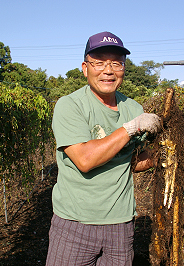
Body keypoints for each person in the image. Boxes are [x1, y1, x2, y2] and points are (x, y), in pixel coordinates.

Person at [46, 31, 162, 266]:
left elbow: (131, 162)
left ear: (124, 69)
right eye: (99, 62)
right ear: (85, 67)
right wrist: (130, 129)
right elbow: (85, 160)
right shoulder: (70, 105)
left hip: (121, 226)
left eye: (116, 63)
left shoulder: (133, 108)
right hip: (75, 224)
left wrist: (161, 157)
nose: (108, 70)